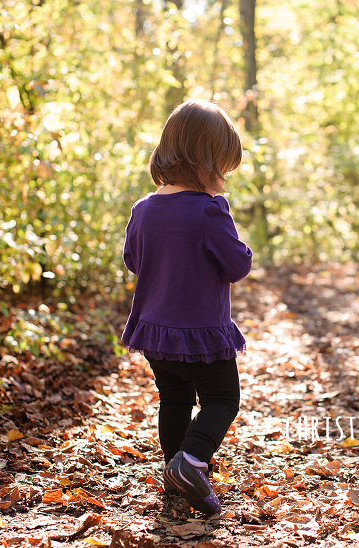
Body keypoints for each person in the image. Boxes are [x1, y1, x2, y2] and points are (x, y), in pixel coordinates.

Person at [121, 99, 253, 516]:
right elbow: (236, 265)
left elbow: (133, 260)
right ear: (203, 162)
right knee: (222, 399)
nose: (222, 181)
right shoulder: (209, 210)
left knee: (174, 399)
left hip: (156, 332)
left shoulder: (143, 210)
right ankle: (192, 460)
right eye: (222, 170)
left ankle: (173, 474)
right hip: (201, 333)